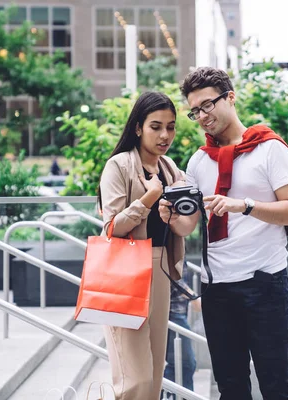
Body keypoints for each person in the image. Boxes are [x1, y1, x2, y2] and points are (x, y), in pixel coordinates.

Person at [158, 67, 288, 399]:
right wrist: (170, 217)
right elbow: (190, 224)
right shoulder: (198, 161)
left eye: (207, 105)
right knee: (230, 388)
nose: (202, 116)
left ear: (230, 98)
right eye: (195, 111)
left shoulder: (269, 149)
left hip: (264, 283)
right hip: (217, 289)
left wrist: (245, 205)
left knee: (276, 385)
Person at [98, 91, 186, 400]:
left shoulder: (170, 169)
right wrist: (148, 198)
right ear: (138, 128)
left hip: (160, 269)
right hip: (126, 273)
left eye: (171, 127)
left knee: (152, 376)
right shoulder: (119, 166)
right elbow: (111, 228)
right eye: (156, 126)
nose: (165, 135)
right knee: (132, 380)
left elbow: (185, 224)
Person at [163, 263, 200, 399]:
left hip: (176, 312)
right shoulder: (172, 241)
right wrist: (192, 296)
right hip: (172, 313)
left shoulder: (178, 243)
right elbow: (170, 273)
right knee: (186, 363)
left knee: (179, 364)